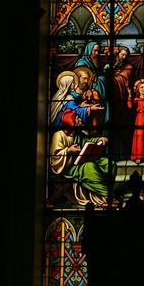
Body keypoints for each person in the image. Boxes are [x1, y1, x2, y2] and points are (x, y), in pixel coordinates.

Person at [49, 70, 114, 205]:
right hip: (68, 166)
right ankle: (107, 197)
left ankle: (105, 194)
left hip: (78, 163)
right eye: (77, 120)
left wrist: (99, 140)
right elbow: (54, 156)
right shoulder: (59, 134)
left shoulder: (77, 132)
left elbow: (86, 140)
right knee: (89, 167)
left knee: (109, 163)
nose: (80, 120)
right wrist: (68, 151)